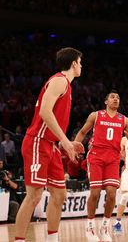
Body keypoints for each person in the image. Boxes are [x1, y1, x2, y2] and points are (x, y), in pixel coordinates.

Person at [14, 47, 84, 242]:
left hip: (50, 145)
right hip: (38, 141)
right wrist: (65, 142)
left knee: (60, 194)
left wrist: (65, 142)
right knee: (34, 195)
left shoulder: (66, 86)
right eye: (80, 62)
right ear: (73, 64)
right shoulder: (59, 81)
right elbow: (45, 112)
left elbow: (53, 121)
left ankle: (52, 240)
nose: (81, 65)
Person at [75, 90, 128, 242]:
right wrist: (75, 146)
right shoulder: (96, 115)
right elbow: (82, 132)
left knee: (112, 194)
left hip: (113, 158)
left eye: (118, 97)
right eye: (113, 97)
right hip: (96, 155)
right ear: (106, 102)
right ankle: (89, 226)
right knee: (94, 193)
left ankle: (104, 227)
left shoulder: (125, 120)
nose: (116, 99)